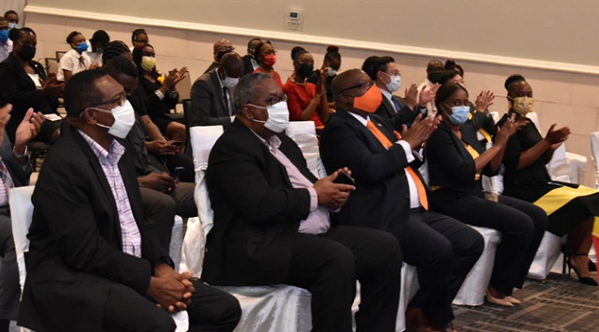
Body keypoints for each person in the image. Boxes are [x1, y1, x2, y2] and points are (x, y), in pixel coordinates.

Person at [17, 69, 241, 332]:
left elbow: (136, 222)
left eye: (125, 98)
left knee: (223, 309)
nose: (127, 107)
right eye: (118, 101)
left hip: (120, 268)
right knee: (158, 324)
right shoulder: (64, 164)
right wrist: (148, 283)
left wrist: (162, 267)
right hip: (71, 277)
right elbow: (83, 251)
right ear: (91, 115)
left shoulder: (118, 152)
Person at [204, 72, 402, 332]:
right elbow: (259, 205)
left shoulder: (282, 142)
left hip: (304, 231)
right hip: (260, 242)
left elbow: (309, 187)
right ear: (248, 109)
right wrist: (316, 195)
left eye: (281, 99)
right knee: (334, 258)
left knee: (384, 246)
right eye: (271, 101)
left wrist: (332, 194)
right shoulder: (233, 147)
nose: (280, 106)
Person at [320, 69, 484, 332]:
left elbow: (399, 158)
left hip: (415, 207)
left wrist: (414, 148)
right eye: (364, 86)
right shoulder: (339, 129)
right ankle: (434, 317)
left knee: (471, 242)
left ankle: (420, 307)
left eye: (371, 83)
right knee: (440, 249)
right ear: (344, 98)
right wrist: (406, 145)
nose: (373, 89)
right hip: (383, 212)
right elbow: (370, 169)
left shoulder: (377, 121)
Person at [425, 82, 548, 307]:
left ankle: (509, 282)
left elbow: (491, 169)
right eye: (456, 103)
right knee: (521, 223)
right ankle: (497, 287)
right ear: (442, 106)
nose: (463, 107)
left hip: (475, 193)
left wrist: (503, 142)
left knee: (538, 216)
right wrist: (497, 146)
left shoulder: (466, 130)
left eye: (465, 102)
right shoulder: (439, 134)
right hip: (451, 198)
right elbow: (464, 171)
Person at [498, 74, 599, 285]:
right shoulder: (506, 125)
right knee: (582, 204)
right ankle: (576, 254)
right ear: (509, 98)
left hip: (541, 181)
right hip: (522, 189)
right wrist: (546, 141)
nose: (526, 98)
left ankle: (579, 253)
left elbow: (540, 159)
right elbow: (517, 163)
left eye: (529, 94)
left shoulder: (528, 122)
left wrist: (551, 147)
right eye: (520, 94)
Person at [103, 55, 197, 250]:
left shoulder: (127, 111)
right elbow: (98, 173)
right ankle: (156, 262)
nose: (125, 98)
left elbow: (139, 153)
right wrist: (142, 181)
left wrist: (160, 175)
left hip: (143, 177)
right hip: (128, 186)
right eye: (122, 92)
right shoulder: (98, 119)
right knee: (169, 202)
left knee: (210, 189)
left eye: (129, 92)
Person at [0, 104, 44, 332]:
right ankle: (5, 323)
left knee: (59, 219)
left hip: (11, 204)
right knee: (15, 235)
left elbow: (18, 176)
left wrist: (19, 147)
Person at [0, 28, 64, 144]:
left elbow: (50, 99)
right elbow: (10, 98)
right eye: (26, 43)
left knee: (75, 131)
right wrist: (42, 92)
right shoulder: (6, 67)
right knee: (63, 136)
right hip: (24, 118)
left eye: (34, 44)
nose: (31, 47)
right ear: (15, 45)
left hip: (49, 115)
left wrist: (53, 92)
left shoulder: (37, 66)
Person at [364, 55, 439, 132]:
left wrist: (422, 105)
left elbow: (415, 123)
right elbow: (387, 127)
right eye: (394, 73)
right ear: (381, 75)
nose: (398, 77)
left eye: (398, 73)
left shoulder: (398, 100)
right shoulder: (373, 99)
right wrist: (409, 106)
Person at [132, 44, 187, 143]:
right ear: (137, 56)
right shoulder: (136, 79)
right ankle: (168, 150)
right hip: (148, 119)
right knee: (181, 130)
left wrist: (172, 87)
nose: (151, 58)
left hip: (163, 116)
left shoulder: (156, 77)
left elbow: (171, 104)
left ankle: (171, 150)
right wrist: (165, 86)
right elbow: (146, 105)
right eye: (147, 55)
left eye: (153, 55)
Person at [189, 52, 244, 128]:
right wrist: (233, 119)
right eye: (233, 76)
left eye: (238, 76)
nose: (235, 80)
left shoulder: (231, 82)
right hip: (212, 132)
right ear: (221, 71)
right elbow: (202, 121)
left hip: (230, 130)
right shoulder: (203, 84)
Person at [282, 47, 329, 128]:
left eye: (311, 62)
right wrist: (317, 96)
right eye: (304, 61)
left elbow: (325, 118)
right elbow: (300, 119)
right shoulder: (288, 88)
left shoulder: (312, 87)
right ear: (295, 64)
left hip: (321, 128)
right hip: (304, 130)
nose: (309, 64)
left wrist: (323, 90)